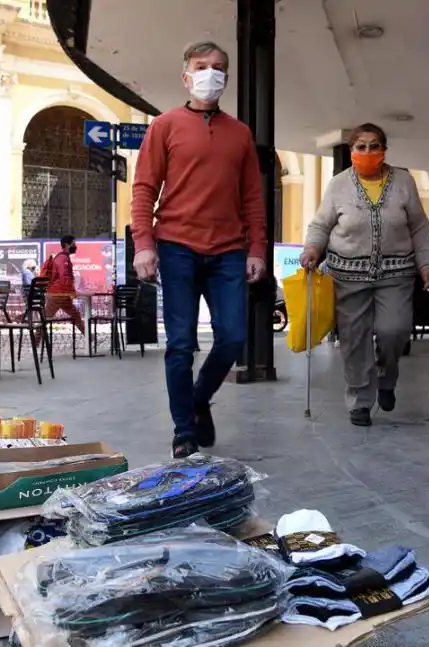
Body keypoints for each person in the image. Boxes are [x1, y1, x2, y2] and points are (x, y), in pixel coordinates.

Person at [131, 41, 267, 458]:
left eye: (219, 67)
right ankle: (182, 431)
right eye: (202, 66)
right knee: (180, 344)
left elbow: (252, 198)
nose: (211, 73)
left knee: (232, 336)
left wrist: (257, 248)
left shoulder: (240, 134)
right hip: (176, 248)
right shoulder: (165, 126)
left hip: (228, 251)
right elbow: (144, 188)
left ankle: (198, 398)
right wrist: (143, 245)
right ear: (186, 75)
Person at [300, 123, 429, 427]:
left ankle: (387, 379)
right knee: (354, 339)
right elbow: (321, 224)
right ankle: (360, 401)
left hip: (396, 273)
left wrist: (426, 263)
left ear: (384, 150)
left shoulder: (403, 181)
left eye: (374, 146)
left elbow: (418, 225)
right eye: (360, 146)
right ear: (351, 152)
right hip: (347, 275)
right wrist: (312, 249)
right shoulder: (338, 185)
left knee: (394, 330)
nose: (367, 152)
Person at [45, 235, 85, 334]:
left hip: (60, 294)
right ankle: (36, 342)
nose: (75, 246)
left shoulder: (62, 257)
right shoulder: (63, 259)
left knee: (76, 315)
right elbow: (65, 277)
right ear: (67, 245)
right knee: (44, 319)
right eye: (73, 244)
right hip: (58, 295)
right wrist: (72, 292)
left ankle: (89, 338)